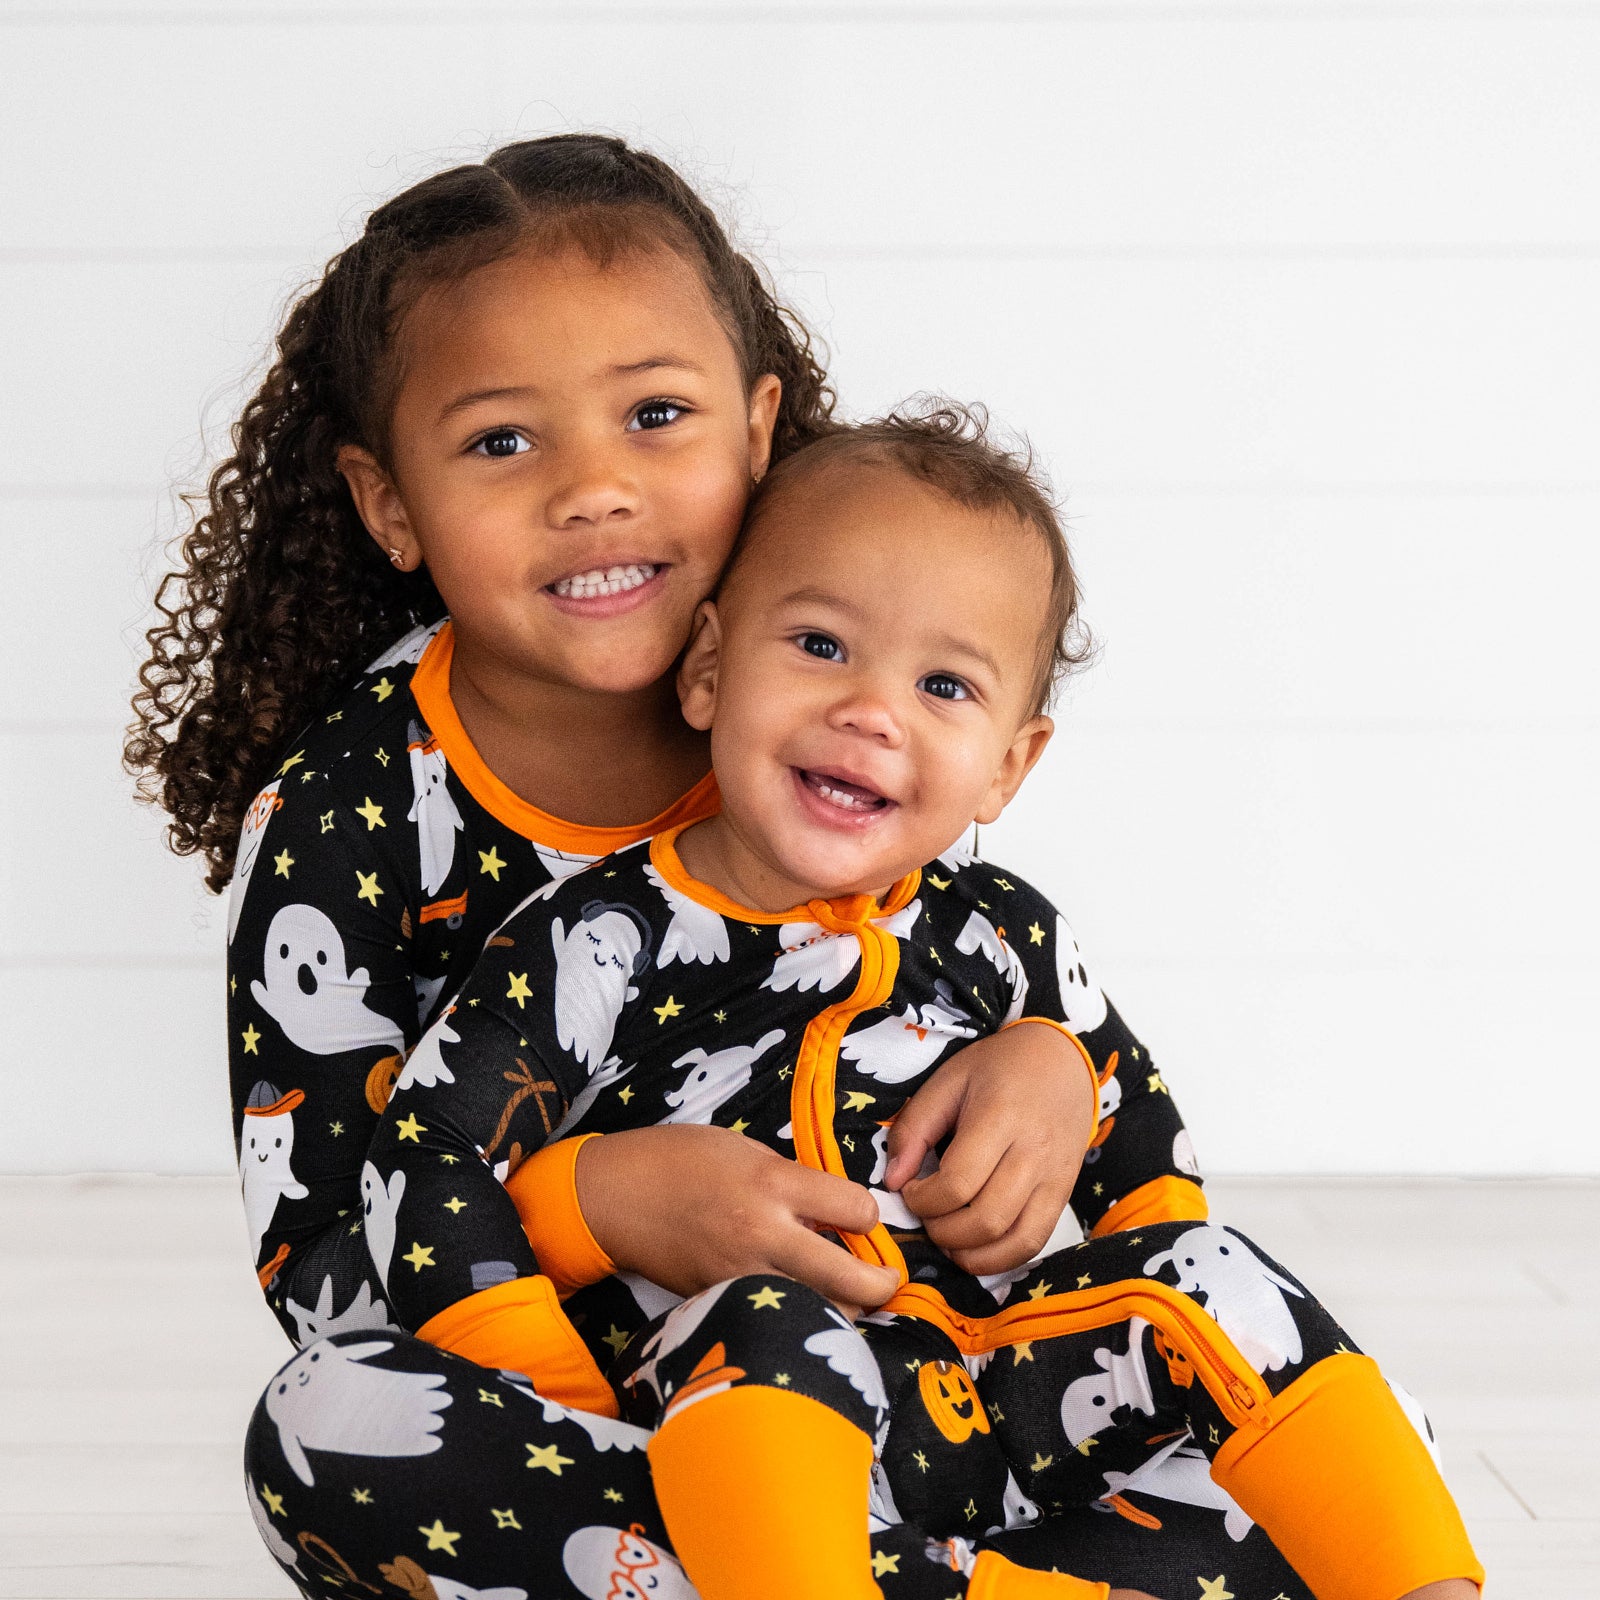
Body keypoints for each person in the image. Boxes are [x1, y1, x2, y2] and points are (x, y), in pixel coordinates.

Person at [124, 138, 1166, 1593]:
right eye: (503, 442)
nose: (595, 492)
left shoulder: (823, 691)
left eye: (656, 415)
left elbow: (964, 958)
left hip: (912, 1389)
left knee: (1251, 1370)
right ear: (389, 503)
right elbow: (325, 1269)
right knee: (323, 1434)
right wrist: (594, 1201)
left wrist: (1057, 1065)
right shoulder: (349, 819)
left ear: (759, 428)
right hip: (594, 1426)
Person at [264, 411, 1482, 1600]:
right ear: (706, 667)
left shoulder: (1001, 930)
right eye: (820, 646)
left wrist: (1104, 1179)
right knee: (381, 1403)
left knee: (1248, 1305)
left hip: (997, 1396)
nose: (872, 709)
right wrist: (558, 1407)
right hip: (728, 1413)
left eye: (945, 684)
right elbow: (428, 1156)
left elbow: (1139, 1145)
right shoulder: (602, 933)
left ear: (1010, 763)